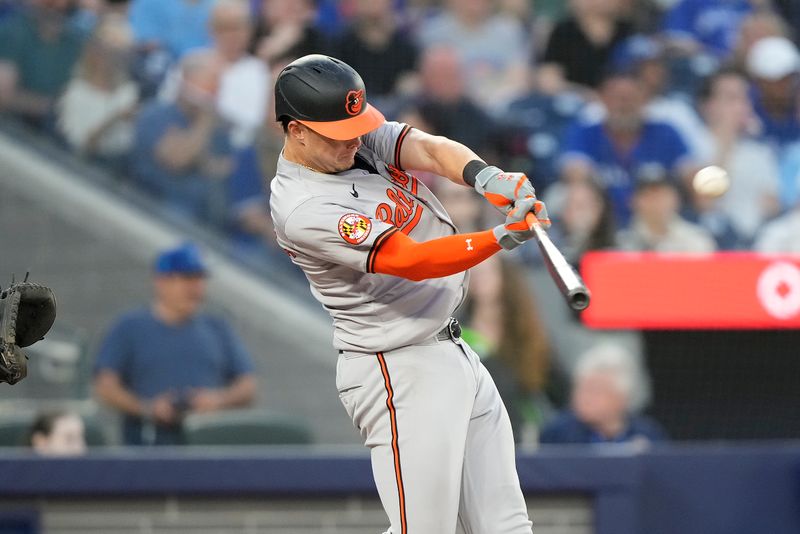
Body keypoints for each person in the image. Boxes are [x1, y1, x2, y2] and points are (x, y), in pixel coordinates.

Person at [270, 54, 550, 533]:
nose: (353, 138)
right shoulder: (303, 205)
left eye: (355, 124)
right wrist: (498, 237)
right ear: (297, 130)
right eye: (338, 132)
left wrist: (488, 178)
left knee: (507, 526)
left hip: (451, 348)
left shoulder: (351, 139)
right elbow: (411, 261)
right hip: (397, 366)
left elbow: (431, 150)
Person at [93, 242, 257, 445]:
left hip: (207, 446)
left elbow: (248, 386)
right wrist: (148, 408)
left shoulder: (217, 327)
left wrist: (217, 400)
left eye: (200, 278)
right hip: (150, 445)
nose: (196, 287)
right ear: (161, 281)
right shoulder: (130, 327)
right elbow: (105, 386)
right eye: (187, 278)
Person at [559, 71, 695, 226]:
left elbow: (690, 173)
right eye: (617, 98)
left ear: (645, 100)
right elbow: (575, 173)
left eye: (632, 98)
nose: (624, 105)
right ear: (603, 99)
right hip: (601, 224)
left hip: (655, 222)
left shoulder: (666, 132)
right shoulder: (586, 132)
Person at [131, 50, 234, 224]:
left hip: (203, 214)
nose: (213, 94)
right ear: (186, 81)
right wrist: (205, 123)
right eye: (209, 85)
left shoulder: (219, 133)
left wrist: (194, 150)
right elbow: (177, 160)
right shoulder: (156, 114)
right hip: (151, 201)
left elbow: (222, 170)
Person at [458, 255, 551, 444]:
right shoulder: (456, 331)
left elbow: (557, 385)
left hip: (516, 435)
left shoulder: (526, 335)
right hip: (470, 433)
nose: (479, 277)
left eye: (487, 272)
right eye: (474, 272)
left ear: (506, 277)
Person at [693, 68, 779, 245]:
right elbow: (705, 202)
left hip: (755, 237)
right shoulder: (695, 143)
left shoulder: (759, 150)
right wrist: (726, 138)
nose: (741, 106)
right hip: (714, 238)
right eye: (731, 99)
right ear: (709, 105)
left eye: (744, 98)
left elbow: (772, 205)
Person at [539, 343, 667, 445]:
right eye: (581, 389)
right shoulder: (557, 434)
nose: (585, 398)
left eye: (595, 391)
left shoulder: (648, 435)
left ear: (622, 397)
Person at [416, 0, 530, 111]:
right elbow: (427, 81)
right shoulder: (433, 32)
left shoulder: (509, 30)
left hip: (499, 108)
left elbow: (519, 79)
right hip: (449, 109)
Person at [57, 16, 139, 165]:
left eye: (118, 51)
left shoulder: (128, 92)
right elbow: (79, 147)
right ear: (93, 47)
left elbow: (124, 148)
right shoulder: (73, 86)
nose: (110, 57)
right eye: (106, 47)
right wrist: (114, 119)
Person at [0, 0, 88, 128]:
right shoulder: (15, 31)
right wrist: (50, 107)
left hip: (51, 136)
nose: (59, 5)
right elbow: (3, 96)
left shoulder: (73, 44)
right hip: (9, 128)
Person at [539, 0, 633, 93]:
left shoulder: (629, 30)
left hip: (621, 98)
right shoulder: (564, 31)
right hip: (575, 99)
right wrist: (584, 94)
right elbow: (548, 77)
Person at [332, 0, 418, 101]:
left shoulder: (406, 48)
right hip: (353, 103)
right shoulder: (341, 44)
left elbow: (412, 81)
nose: (372, 4)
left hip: (394, 107)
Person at [617, 172, 716, 253]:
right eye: (647, 196)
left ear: (677, 199)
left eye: (662, 195)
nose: (655, 202)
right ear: (632, 201)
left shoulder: (696, 239)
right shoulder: (621, 241)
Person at [746, 36, 800, 150]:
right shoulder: (745, 107)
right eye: (774, 80)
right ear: (758, 80)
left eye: (788, 78)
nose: (783, 86)